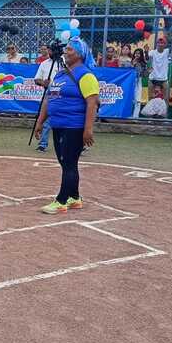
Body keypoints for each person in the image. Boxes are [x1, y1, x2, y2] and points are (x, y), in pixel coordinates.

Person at [34, 37, 99, 214]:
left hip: (74, 126)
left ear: (79, 55)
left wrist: (88, 129)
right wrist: (40, 122)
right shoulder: (60, 74)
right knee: (66, 163)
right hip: (58, 124)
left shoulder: (86, 75)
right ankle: (75, 197)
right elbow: (48, 99)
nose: (65, 52)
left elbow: (92, 103)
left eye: (70, 49)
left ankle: (61, 200)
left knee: (69, 162)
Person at [34, 48, 60, 152]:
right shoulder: (44, 64)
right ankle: (43, 144)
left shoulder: (64, 62)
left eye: (52, 50)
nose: (50, 52)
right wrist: (43, 82)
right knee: (46, 118)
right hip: (50, 92)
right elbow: (36, 79)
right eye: (49, 50)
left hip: (63, 92)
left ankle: (75, 145)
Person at [131, 48, 148, 118]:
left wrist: (148, 72)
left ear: (141, 55)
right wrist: (133, 64)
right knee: (129, 98)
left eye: (139, 53)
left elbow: (144, 75)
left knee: (138, 99)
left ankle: (135, 116)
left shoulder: (143, 64)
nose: (137, 55)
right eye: (136, 53)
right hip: (130, 81)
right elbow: (128, 71)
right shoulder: (131, 61)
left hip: (138, 81)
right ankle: (128, 114)